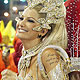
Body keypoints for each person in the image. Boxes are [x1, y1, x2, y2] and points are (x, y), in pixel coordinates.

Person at [1, 0, 70, 80]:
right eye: (21, 18)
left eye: (30, 20)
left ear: (43, 31)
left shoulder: (48, 54)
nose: (21, 23)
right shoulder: (24, 58)